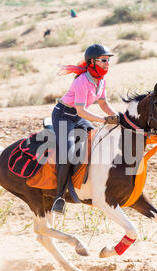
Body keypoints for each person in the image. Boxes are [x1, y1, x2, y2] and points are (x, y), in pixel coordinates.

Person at [51, 43, 120, 214]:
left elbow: (103, 103)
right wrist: (104, 119)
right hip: (64, 116)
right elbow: (81, 110)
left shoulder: (101, 80)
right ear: (92, 62)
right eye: (104, 60)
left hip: (78, 118)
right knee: (68, 152)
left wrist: (118, 117)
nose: (107, 63)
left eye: (108, 60)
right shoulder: (82, 81)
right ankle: (59, 197)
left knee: (97, 141)